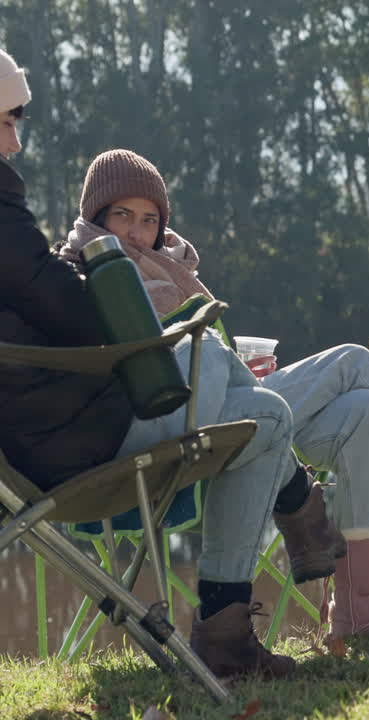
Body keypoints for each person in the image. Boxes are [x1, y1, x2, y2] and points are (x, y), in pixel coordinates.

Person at [60, 149, 369, 643]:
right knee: (356, 361)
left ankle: (362, 617)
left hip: (228, 412)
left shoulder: (169, 268)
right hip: (178, 432)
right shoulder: (89, 272)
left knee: (368, 411)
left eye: (148, 219)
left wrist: (233, 369)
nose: (135, 231)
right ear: (96, 216)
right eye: (122, 215)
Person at [0, 48, 301, 678]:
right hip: (72, 447)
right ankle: (257, 578)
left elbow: (37, 290)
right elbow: (58, 303)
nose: (14, 143)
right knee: (237, 387)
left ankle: (239, 613)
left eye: (16, 122)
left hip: (45, 437)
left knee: (268, 408)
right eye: (4, 121)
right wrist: (118, 290)